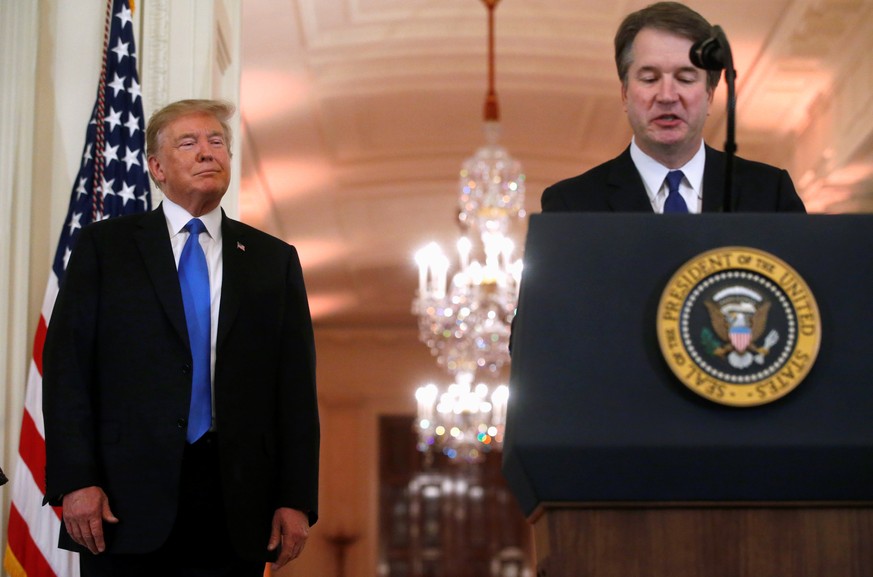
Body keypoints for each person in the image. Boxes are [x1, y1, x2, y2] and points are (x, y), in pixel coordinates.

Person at [42, 99, 319, 577]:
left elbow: (294, 392)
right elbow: (67, 370)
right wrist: (76, 480)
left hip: (236, 504)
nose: (207, 152)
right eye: (188, 143)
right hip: (121, 501)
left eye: (217, 143)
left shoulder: (273, 261)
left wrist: (295, 498)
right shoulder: (105, 248)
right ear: (156, 167)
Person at [541, 1, 806, 213]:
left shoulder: (770, 194)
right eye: (649, 79)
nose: (667, 95)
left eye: (685, 78)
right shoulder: (571, 204)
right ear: (624, 94)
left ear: (710, 94)